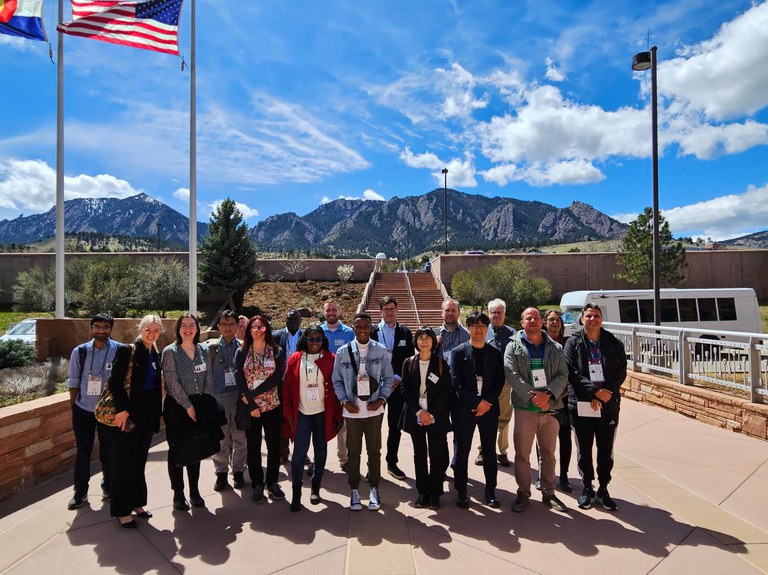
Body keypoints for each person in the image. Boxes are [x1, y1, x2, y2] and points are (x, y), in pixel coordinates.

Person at [504, 307, 569, 514]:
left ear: (542, 322)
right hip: (525, 409)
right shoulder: (512, 346)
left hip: (550, 409)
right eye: (528, 318)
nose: (533, 321)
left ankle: (549, 493)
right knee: (522, 455)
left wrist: (548, 395)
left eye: (536, 318)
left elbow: (562, 374)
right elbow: (511, 373)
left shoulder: (556, 347)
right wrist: (534, 396)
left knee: (549, 454)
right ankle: (523, 493)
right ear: (521, 323)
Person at [564, 303, 627, 511]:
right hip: (581, 404)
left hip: (608, 406)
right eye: (589, 316)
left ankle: (603, 488)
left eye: (597, 316)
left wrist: (603, 395)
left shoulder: (613, 343)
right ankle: (587, 488)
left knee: (605, 449)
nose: (593, 319)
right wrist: (593, 392)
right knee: (584, 448)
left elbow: (621, 372)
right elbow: (571, 372)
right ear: (582, 319)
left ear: (601, 319)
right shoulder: (573, 343)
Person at [332, 313, 394, 511]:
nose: (362, 331)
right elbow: (337, 380)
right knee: (354, 452)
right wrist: (344, 402)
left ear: (371, 328)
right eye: (358, 327)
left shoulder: (381, 350)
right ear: (353, 328)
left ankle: (374, 488)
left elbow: (388, 378)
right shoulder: (343, 352)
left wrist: (382, 399)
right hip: (353, 411)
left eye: (366, 327)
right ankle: (354, 490)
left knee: (374, 451)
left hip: (374, 410)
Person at [109, 315, 164, 528]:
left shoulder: (155, 353)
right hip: (129, 417)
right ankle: (122, 510)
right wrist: (121, 409)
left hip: (147, 417)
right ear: (140, 329)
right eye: (147, 329)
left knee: (139, 462)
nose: (151, 333)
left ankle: (137, 503)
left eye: (156, 330)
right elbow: (115, 383)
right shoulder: (127, 351)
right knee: (124, 464)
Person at [282, 325, 343, 511]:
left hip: (322, 415)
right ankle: (296, 493)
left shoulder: (331, 359)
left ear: (323, 340)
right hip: (302, 414)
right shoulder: (295, 359)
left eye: (318, 339)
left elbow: (337, 388)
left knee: (321, 452)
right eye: (311, 339)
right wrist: (288, 414)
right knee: (299, 455)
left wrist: (337, 414)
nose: (314, 343)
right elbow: (286, 389)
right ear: (305, 339)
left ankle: (316, 487)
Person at [66, 313, 122, 510]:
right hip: (84, 409)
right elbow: (73, 380)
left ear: (110, 329)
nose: (101, 330)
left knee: (109, 452)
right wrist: (74, 405)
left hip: (108, 411)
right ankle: (80, 492)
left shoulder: (119, 350)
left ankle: (108, 487)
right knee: (83, 451)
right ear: (91, 329)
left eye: (105, 327)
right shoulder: (79, 352)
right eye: (97, 326)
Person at [450, 311, 504, 509]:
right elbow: (457, 383)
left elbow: (499, 381)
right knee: (462, 450)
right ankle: (462, 491)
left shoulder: (495, 352)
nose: (479, 329)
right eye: (474, 325)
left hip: (488, 409)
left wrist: (485, 403)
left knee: (489, 451)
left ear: (487, 328)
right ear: (469, 328)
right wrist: (475, 403)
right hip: (464, 409)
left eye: (482, 326)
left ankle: (490, 491)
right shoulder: (458, 352)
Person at [162, 313, 215, 511]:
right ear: (178, 328)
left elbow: (208, 378)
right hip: (177, 408)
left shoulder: (203, 350)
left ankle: (194, 491)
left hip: (198, 406)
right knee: (176, 450)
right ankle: (178, 493)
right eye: (183, 325)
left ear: (197, 328)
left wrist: (205, 403)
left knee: (196, 448)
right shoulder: (170, 352)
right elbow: (172, 382)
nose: (188, 329)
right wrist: (188, 406)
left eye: (191, 325)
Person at [235, 314, 286, 504]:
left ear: (267, 329)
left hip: (272, 406)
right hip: (252, 409)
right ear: (249, 330)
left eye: (262, 327)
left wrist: (252, 393)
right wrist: (252, 402)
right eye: (254, 327)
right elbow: (239, 377)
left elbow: (275, 378)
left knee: (274, 446)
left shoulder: (276, 351)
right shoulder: (242, 351)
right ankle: (257, 484)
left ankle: (272, 482)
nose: (258, 330)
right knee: (253, 447)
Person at [399, 326, 451, 510]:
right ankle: (423, 491)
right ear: (416, 341)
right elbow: (404, 390)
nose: (424, 341)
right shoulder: (409, 362)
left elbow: (446, 392)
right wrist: (419, 412)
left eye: (427, 338)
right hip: (416, 415)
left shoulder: (440, 363)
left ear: (433, 341)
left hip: (435, 416)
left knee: (436, 455)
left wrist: (432, 414)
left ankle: (435, 493)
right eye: (420, 338)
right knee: (419, 455)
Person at [371, 296, 414, 480]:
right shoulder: (372, 331)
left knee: (394, 427)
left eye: (392, 309)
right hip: (376, 387)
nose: (389, 312)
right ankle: (372, 465)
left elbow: (409, 359)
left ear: (397, 310)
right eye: (386, 309)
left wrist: (397, 377)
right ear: (381, 312)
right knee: (374, 427)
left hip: (397, 387)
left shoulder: (405, 332)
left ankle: (392, 462)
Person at [208, 310, 247, 492]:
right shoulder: (211, 348)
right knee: (221, 438)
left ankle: (238, 471)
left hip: (239, 397)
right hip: (219, 398)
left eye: (231, 324)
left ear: (237, 326)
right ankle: (221, 473)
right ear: (218, 327)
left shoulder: (243, 347)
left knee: (240, 436)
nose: (228, 328)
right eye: (224, 324)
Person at [475, 299, 516, 468]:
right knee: (483, 415)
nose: (496, 315)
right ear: (488, 313)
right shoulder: (482, 331)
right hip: (484, 383)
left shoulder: (513, 334)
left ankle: (502, 452)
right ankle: (483, 449)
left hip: (505, 383)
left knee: (504, 418)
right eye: (493, 312)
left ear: (504, 314)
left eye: (500, 312)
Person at [540, 309, 573, 492]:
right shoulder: (539, 344)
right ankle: (542, 475)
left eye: (557, 320)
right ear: (545, 323)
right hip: (544, 399)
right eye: (551, 320)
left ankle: (565, 475)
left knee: (565, 438)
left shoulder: (568, 344)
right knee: (543, 439)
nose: (554, 323)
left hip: (564, 399)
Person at [321, 299, 355, 472]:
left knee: (343, 424)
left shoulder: (349, 333)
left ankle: (344, 458)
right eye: (328, 310)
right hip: (321, 385)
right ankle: (320, 461)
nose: (331, 313)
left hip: (343, 385)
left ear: (339, 312)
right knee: (321, 423)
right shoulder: (318, 332)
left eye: (334, 310)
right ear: (324, 312)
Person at [273, 309, 304, 464]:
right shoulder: (276, 336)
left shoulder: (306, 336)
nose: (292, 321)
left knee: (301, 419)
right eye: (289, 319)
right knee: (282, 419)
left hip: (300, 384)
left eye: (295, 319)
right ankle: (283, 452)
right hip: (280, 384)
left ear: (300, 321)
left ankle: (301, 452)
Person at [436, 298, 469, 368]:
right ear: (441, 313)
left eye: (453, 310)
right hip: (440, 376)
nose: (450, 313)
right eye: (447, 310)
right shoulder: (433, 334)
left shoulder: (467, 334)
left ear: (459, 313)